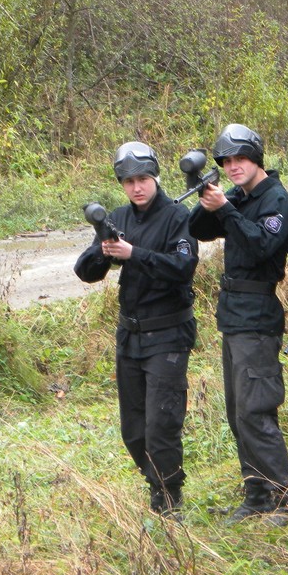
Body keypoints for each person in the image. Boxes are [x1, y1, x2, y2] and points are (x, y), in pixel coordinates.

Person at [74, 142, 198, 517]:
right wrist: (103, 250)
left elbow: (183, 267)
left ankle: (168, 494)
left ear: (155, 177)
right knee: (134, 428)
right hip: (130, 335)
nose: (137, 187)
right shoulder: (118, 218)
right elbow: (85, 272)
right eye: (129, 182)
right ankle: (156, 479)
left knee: (162, 422)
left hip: (169, 333)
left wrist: (134, 254)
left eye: (143, 179)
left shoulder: (178, 216)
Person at [188, 124, 288, 526]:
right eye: (227, 161)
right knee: (238, 412)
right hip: (234, 313)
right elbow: (198, 230)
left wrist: (226, 209)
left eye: (241, 158)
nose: (233, 167)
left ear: (257, 158)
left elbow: (261, 246)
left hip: (258, 313)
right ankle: (257, 495)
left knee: (256, 410)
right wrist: (206, 198)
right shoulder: (239, 195)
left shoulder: (276, 199)